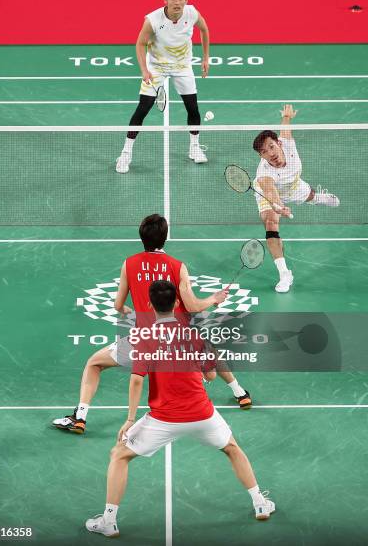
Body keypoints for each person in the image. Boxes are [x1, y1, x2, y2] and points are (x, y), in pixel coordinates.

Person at [85, 280, 275, 538]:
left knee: (119, 455)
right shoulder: (194, 336)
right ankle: (259, 503)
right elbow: (210, 376)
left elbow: (137, 379)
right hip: (202, 414)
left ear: (150, 305)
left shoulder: (144, 337)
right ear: (177, 303)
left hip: (163, 418)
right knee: (232, 448)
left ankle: (109, 521)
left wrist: (130, 419)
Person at [52, 214, 251, 435]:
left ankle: (80, 417)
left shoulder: (129, 264)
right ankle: (240, 394)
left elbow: (118, 304)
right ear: (165, 238)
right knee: (207, 348)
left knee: (94, 364)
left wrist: (127, 310)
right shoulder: (177, 266)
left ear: (142, 238)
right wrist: (214, 299)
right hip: (179, 341)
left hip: (145, 340)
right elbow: (193, 306)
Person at [115, 0, 209, 173]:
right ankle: (125, 154)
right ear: (165, 0)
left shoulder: (191, 13)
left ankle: (194, 147)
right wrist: (144, 70)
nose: (177, 2)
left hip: (182, 66)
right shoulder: (153, 20)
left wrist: (206, 58)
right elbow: (140, 44)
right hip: (157, 67)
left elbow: (204, 29)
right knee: (143, 108)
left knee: (192, 107)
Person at [253, 104, 340, 293]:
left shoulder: (288, 144)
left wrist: (286, 117)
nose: (271, 153)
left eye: (271, 146)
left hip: (293, 184)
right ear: (261, 156)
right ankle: (285, 274)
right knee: (270, 222)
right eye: (264, 152)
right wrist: (277, 206)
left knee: (310, 196)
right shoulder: (263, 173)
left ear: (279, 144)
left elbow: (285, 129)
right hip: (272, 194)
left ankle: (319, 197)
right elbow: (269, 190)